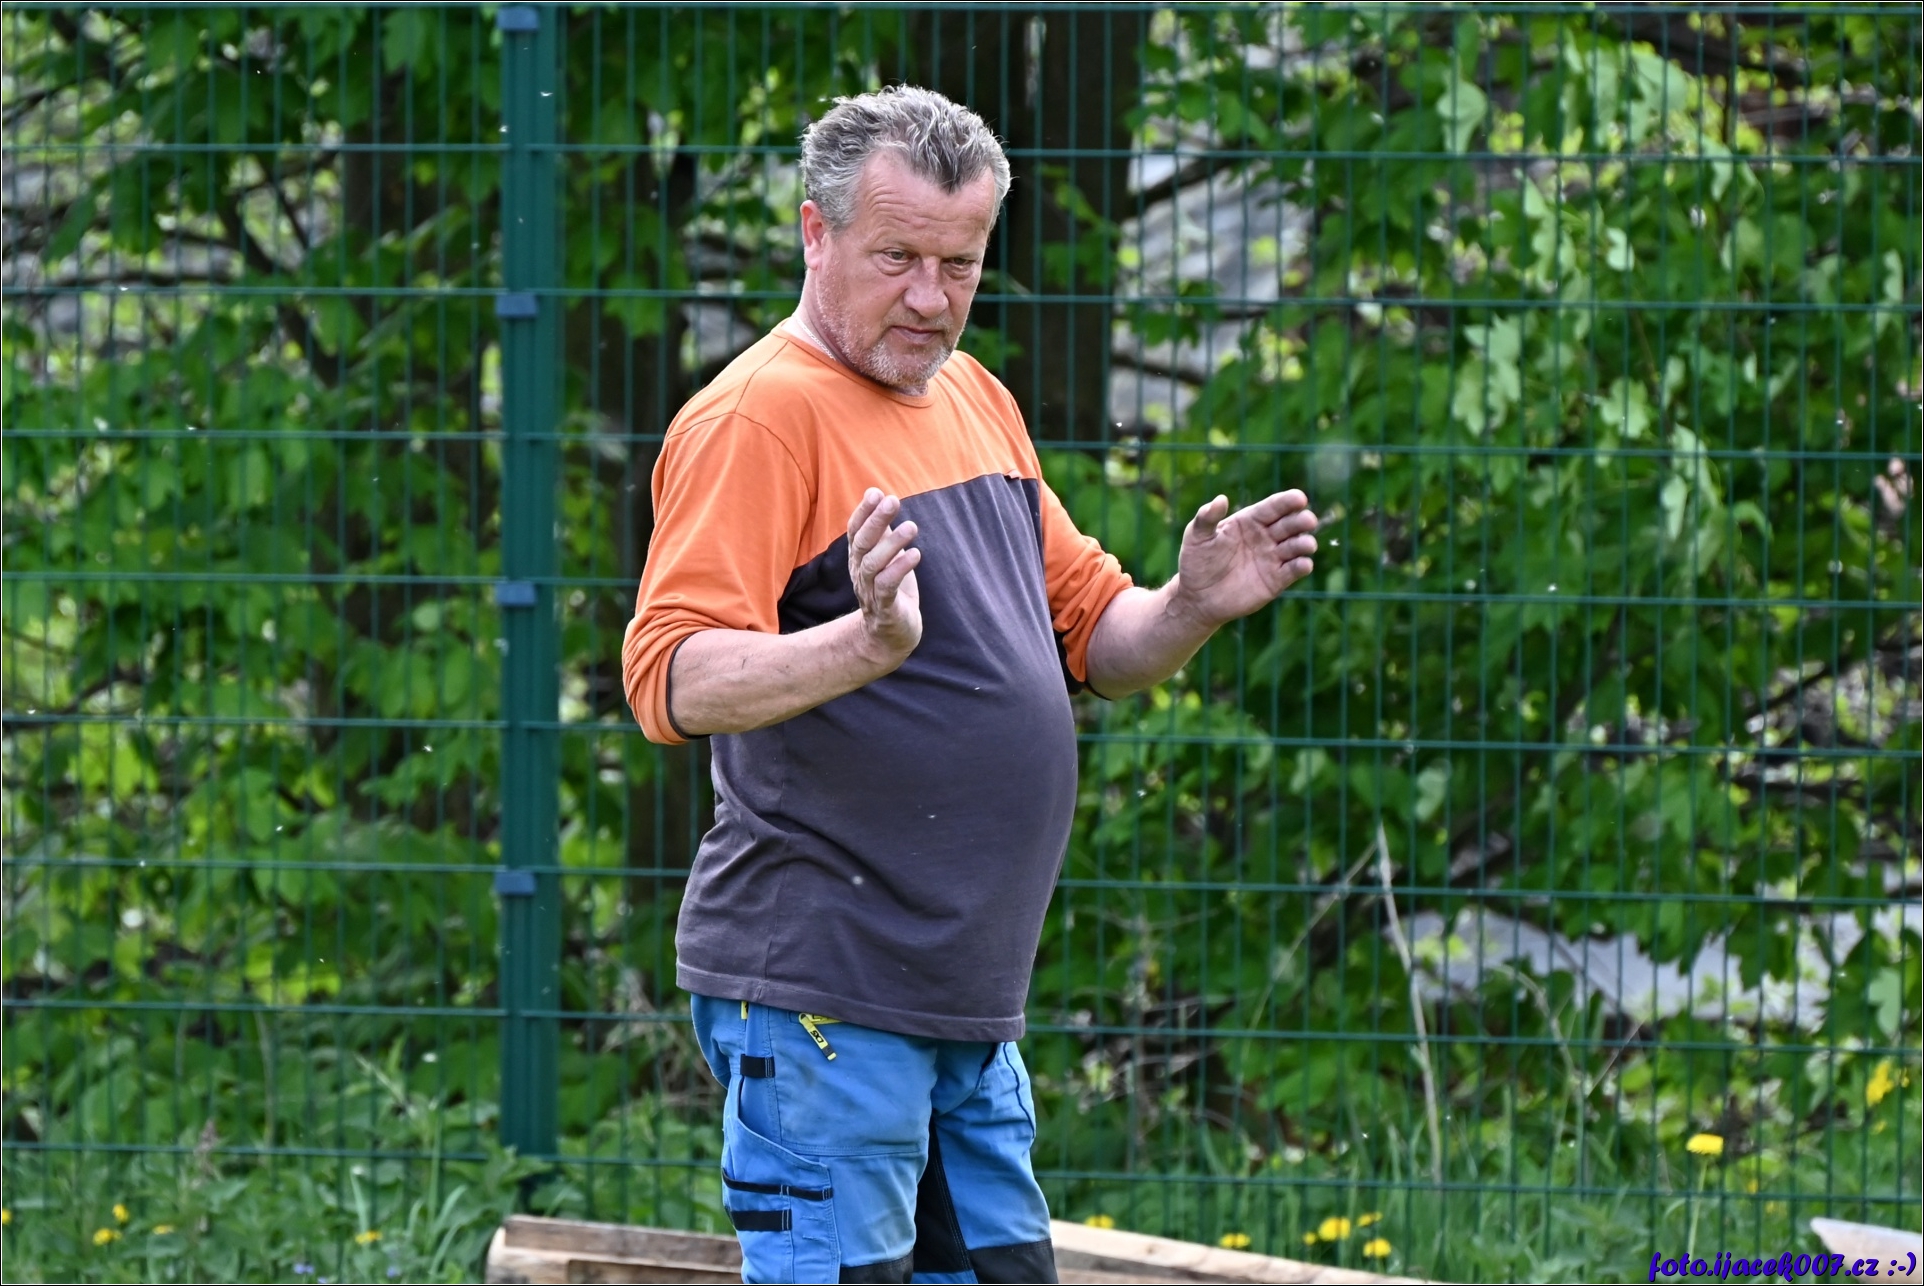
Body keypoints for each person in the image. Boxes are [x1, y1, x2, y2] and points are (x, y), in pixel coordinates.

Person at [622, 85, 1319, 1285]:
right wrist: (862, 643)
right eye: (897, 258)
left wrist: (1191, 603)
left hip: (960, 1001)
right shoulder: (756, 418)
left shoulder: (973, 396)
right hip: (825, 989)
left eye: (959, 263)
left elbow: (1097, 635)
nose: (931, 297)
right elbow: (667, 675)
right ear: (815, 233)